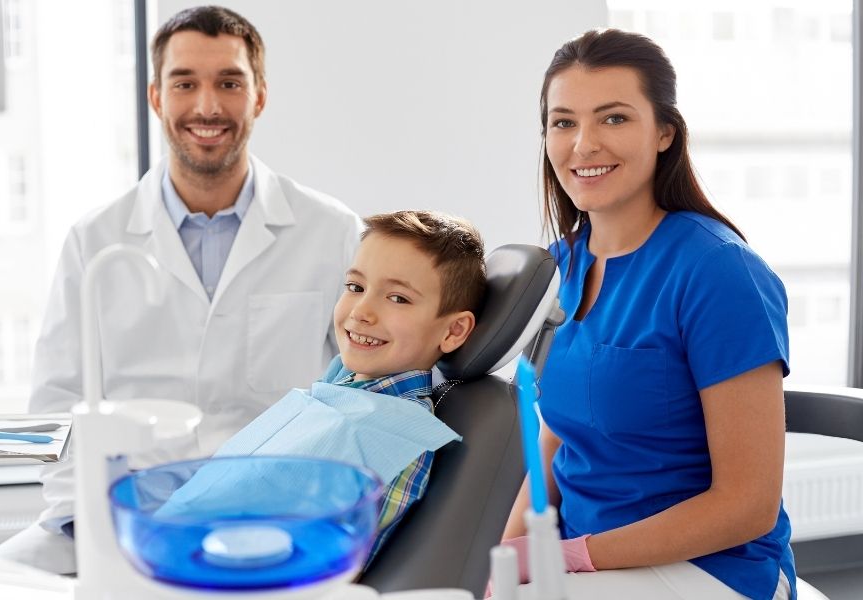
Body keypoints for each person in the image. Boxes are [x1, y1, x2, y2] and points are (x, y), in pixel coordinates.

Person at [0, 5, 362, 574]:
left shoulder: (332, 232)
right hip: (127, 520)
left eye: (229, 83)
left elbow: (362, 391)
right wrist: (89, 527)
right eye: (185, 83)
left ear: (259, 96)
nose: (207, 106)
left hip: (271, 522)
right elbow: (59, 405)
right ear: (156, 97)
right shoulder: (96, 240)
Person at [497, 29, 794, 600]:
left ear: (664, 132)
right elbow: (558, 431)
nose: (583, 144)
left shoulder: (718, 272)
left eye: (613, 119)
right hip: (586, 559)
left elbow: (748, 504)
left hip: (714, 568)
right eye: (563, 122)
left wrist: (574, 556)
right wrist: (506, 555)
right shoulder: (561, 265)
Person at [163, 210, 485, 566]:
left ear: (453, 331)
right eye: (355, 287)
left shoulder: (393, 438)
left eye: (398, 298)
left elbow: (325, 569)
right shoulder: (342, 389)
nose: (361, 311)